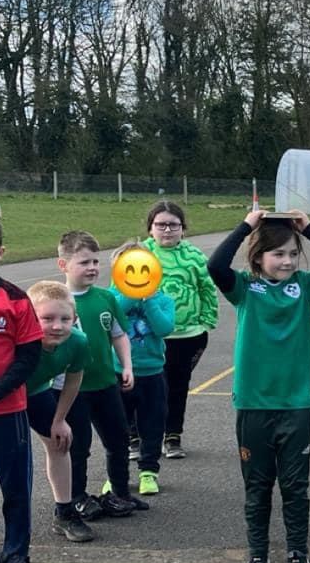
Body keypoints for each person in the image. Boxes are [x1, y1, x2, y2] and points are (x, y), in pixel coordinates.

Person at [207, 209, 310, 563]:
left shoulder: (305, 286)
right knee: (257, 488)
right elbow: (215, 265)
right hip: (253, 406)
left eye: (292, 253)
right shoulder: (244, 288)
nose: (287, 261)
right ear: (258, 258)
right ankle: (257, 554)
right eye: (278, 254)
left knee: (295, 488)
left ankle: (297, 555)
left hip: (295, 407)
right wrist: (247, 226)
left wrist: (309, 229)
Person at [58, 230, 145, 520]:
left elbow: (119, 335)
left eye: (95, 261)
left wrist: (127, 366)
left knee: (119, 440)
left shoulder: (106, 298)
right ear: (63, 265)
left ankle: (119, 492)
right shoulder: (58, 301)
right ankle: (77, 497)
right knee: (78, 446)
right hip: (73, 390)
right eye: (84, 262)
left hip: (106, 384)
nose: (92, 267)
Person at [0, 217, 42, 563]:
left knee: (16, 490)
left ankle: (17, 561)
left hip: (7, 412)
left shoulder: (16, 299)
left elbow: (28, 357)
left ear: (0, 252)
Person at [143, 201, 218, 460]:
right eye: (161, 225)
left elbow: (207, 288)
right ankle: (140, 436)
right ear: (150, 228)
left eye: (173, 225)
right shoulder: (139, 255)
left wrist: (207, 320)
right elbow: (121, 288)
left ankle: (172, 435)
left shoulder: (194, 256)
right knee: (149, 388)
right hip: (148, 336)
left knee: (176, 387)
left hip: (188, 335)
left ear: (183, 228)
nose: (167, 230)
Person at [23, 281, 93, 544]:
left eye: (65, 319)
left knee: (60, 442)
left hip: (36, 391)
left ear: (74, 319)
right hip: (1, 397)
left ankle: (64, 511)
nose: (57, 326)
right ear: (30, 317)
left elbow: (74, 379)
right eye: (47, 318)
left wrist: (60, 420)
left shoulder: (77, 341)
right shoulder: (18, 342)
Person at [108, 243, 176, 498]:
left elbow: (164, 328)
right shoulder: (112, 297)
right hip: (119, 372)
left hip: (152, 373)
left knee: (152, 425)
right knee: (116, 427)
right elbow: (114, 317)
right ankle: (116, 474)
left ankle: (149, 471)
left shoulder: (163, 300)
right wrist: (133, 294)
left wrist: (148, 301)